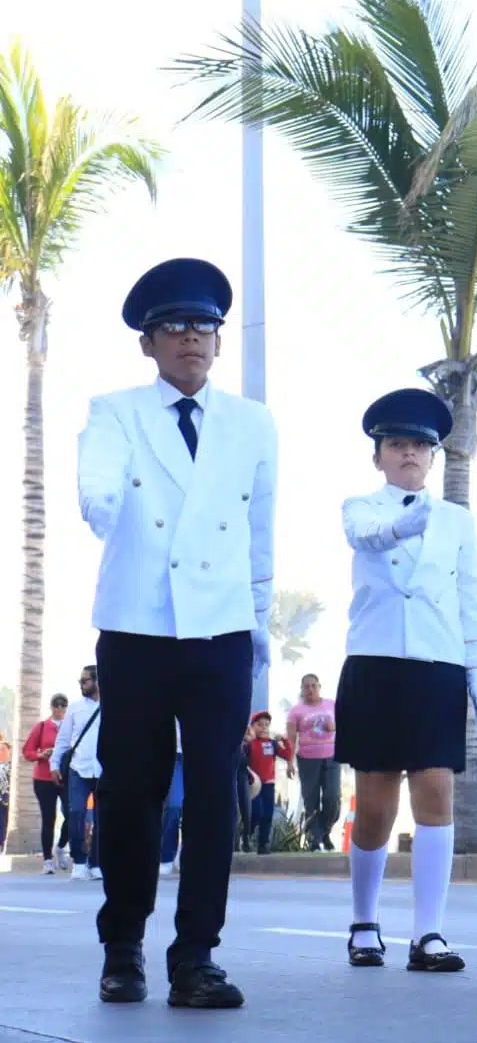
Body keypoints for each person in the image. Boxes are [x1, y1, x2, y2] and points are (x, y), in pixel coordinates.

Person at [77, 257, 277, 1008]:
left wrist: (258, 624)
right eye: (174, 328)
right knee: (133, 787)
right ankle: (122, 945)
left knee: (215, 794)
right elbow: (98, 475)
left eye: (204, 326)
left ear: (219, 342)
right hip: (137, 624)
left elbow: (260, 530)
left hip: (220, 627)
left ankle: (196, 954)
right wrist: (98, 502)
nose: (192, 338)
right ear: (148, 345)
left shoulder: (252, 423)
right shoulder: (116, 411)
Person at [336, 387, 477, 973]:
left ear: (433, 458)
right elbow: (366, 536)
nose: (409, 455)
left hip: (437, 666)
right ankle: (364, 921)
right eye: (397, 445)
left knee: (436, 795)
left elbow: (470, 601)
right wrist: (405, 526)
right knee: (375, 804)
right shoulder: (361, 506)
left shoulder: (455, 521)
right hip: (376, 665)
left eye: (421, 446)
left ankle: (429, 933)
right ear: (378, 456)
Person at [50, 667, 103, 881]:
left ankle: (97, 863)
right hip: (78, 769)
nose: (81, 684)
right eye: (80, 681)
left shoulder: (115, 705)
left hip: (103, 770)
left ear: (98, 681)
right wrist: (54, 764)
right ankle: (79, 862)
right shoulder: (75, 708)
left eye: (85, 681)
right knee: (76, 812)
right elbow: (63, 740)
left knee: (103, 818)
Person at [286, 674, 340, 852]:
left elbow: (347, 724)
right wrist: (289, 762)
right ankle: (314, 840)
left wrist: (335, 727)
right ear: (302, 689)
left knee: (332, 798)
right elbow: (291, 739)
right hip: (308, 759)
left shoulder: (331, 704)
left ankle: (325, 831)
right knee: (311, 800)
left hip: (332, 757)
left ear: (319, 686)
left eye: (313, 686)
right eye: (306, 686)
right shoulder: (296, 711)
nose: (310, 690)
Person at [23, 694, 71, 873]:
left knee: (73, 813)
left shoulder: (70, 726)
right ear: (51, 707)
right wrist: (41, 755)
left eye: (63, 705)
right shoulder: (42, 727)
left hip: (65, 777)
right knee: (48, 818)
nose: (59, 709)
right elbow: (27, 751)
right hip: (44, 778)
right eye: (56, 705)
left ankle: (60, 847)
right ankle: (48, 860)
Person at [244, 713, 289, 854]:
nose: (263, 728)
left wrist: (284, 740)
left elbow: (287, 754)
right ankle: (246, 836)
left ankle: (263, 844)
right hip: (254, 785)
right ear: (252, 727)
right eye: (259, 725)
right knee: (256, 812)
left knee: (268, 814)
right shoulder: (250, 745)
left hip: (269, 784)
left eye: (266, 725)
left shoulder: (273, 744)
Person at [160, 725, 183, 876]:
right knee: (174, 806)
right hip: (175, 755)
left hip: (202, 753)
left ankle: (186, 855)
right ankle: (166, 856)